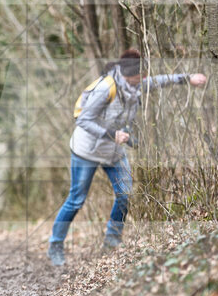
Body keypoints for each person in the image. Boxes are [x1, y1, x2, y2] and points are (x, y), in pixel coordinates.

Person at [47, 49, 207, 266]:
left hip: (113, 152)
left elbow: (159, 81)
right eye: (137, 77)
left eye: (141, 77)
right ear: (125, 74)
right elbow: (83, 120)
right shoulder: (106, 88)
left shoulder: (136, 84)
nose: (141, 80)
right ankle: (55, 246)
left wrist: (187, 78)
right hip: (86, 151)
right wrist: (112, 134)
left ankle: (112, 241)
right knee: (76, 200)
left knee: (125, 193)